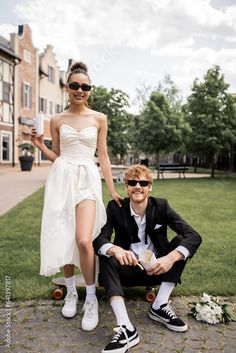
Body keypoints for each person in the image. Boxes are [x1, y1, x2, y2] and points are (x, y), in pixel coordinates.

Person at [31, 61, 122, 332]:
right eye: (75, 86)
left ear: (89, 90)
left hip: (87, 179)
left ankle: (91, 297)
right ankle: (71, 292)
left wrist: (113, 188)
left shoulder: (99, 118)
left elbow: (103, 156)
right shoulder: (57, 120)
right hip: (62, 178)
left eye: (85, 86)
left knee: (84, 239)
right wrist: (40, 145)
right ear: (67, 88)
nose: (80, 90)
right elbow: (57, 155)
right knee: (65, 235)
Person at [93, 164, 202, 353]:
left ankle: (160, 305)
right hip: (126, 270)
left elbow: (193, 236)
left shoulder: (161, 206)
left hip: (159, 269)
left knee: (182, 243)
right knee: (107, 255)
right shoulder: (115, 208)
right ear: (126, 187)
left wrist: (170, 258)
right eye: (132, 182)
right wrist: (115, 249)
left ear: (150, 187)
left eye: (143, 182)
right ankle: (126, 328)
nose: (138, 186)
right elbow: (99, 240)